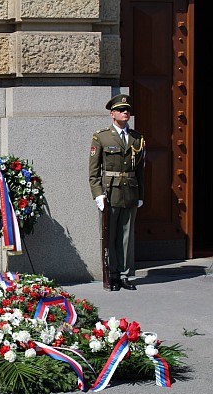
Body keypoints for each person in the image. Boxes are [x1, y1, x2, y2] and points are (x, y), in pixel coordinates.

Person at [89, 94, 145, 291]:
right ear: (112, 114)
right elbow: (94, 171)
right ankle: (111, 274)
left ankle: (124, 274)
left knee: (127, 236)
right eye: (121, 110)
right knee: (110, 235)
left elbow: (140, 170)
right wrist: (97, 194)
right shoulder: (101, 137)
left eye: (127, 110)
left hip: (130, 191)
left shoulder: (137, 138)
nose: (125, 112)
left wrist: (140, 196)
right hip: (110, 192)